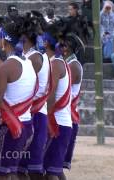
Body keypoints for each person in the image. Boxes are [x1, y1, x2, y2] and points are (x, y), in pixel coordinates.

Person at [0, 22, 37, 180]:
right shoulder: (28, 63)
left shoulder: (6, 67)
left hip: (10, 127)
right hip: (27, 125)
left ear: (4, 40)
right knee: (10, 171)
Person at [18, 17, 51, 180]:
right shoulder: (33, 55)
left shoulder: (33, 58)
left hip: (35, 113)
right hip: (35, 112)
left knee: (29, 169)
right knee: (26, 168)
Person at [43, 26, 72, 180]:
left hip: (57, 124)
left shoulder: (55, 64)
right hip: (61, 122)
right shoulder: (59, 62)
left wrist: (44, 123)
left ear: (46, 42)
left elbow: (51, 96)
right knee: (55, 170)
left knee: (51, 173)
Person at [59, 34, 83, 180]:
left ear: (70, 49)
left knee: (54, 168)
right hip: (65, 115)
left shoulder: (73, 65)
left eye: (64, 45)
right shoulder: (66, 62)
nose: (61, 48)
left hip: (68, 116)